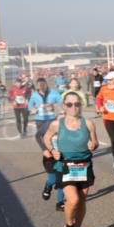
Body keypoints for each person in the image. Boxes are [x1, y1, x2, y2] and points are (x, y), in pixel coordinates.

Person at [44, 91, 98, 227]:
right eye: (69, 104)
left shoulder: (88, 123)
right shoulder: (57, 124)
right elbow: (46, 137)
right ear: (64, 106)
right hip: (65, 165)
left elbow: (95, 143)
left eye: (76, 104)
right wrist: (52, 150)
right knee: (73, 199)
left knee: (81, 201)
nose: (73, 107)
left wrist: (93, 145)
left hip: (84, 165)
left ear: (80, 105)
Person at [28, 77, 66, 209]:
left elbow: (61, 102)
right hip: (42, 124)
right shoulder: (52, 125)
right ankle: (48, 186)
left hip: (63, 156)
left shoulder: (55, 94)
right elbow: (38, 136)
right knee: (53, 179)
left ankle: (60, 202)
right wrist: (45, 149)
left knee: (62, 180)